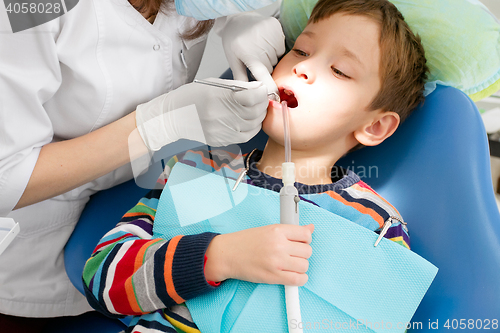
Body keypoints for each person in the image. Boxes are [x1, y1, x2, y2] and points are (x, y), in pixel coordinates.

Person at [82, 0, 428, 331]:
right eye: (301, 50)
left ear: (374, 126)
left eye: (340, 70)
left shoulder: (375, 226)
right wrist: (219, 256)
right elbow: (102, 280)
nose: (303, 68)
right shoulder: (198, 172)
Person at [0, 0, 286, 329]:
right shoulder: (28, 10)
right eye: (303, 54)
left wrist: (238, 17)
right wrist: (155, 125)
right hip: (31, 252)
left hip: (129, 206)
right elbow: (6, 177)